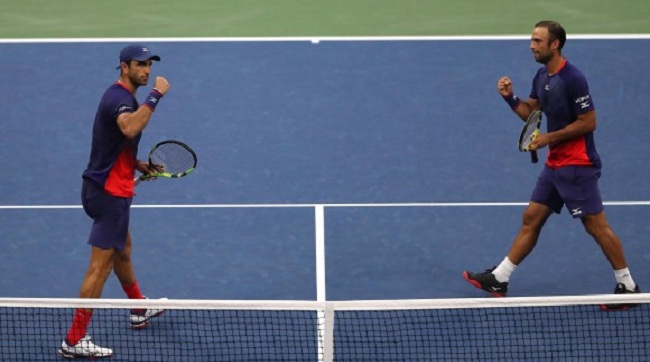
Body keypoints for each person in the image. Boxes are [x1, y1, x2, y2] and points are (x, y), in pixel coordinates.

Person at [462, 21, 639, 310]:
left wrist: (547, 138)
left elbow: (588, 122)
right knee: (532, 217)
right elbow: (530, 112)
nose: (531, 45)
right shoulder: (542, 75)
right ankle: (500, 278)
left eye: (537, 40)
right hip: (556, 163)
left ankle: (628, 286)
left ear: (554, 44)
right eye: (531, 40)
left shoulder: (573, 78)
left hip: (577, 165)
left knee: (595, 225)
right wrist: (510, 98)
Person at [59, 44, 171, 359]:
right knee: (99, 269)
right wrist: (157, 95)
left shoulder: (123, 98)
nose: (147, 71)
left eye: (149, 65)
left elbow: (115, 142)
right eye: (141, 64)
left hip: (110, 189)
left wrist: (139, 166)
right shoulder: (120, 99)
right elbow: (130, 126)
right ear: (124, 67)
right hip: (108, 196)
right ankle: (73, 339)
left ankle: (138, 308)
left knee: (123, 249)